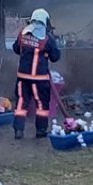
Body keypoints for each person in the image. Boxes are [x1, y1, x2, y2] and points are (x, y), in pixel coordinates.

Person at [12, 8, 61, 140]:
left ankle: (18, 131)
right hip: (40, 79)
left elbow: (16, 49)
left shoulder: (23, 34)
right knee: (41, 105)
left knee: (21, 104)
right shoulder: (47, 38)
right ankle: (41, 130)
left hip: (23, 78)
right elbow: (55, 57)